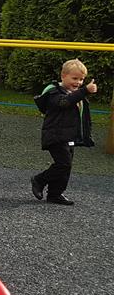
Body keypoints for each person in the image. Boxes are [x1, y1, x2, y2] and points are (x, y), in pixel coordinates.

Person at [31, 59, 96, 205]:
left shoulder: (73, 93)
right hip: (55, 135)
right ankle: (39, 179)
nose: (78, 82)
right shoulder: (54, 92)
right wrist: (85, 90)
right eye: (74, 78)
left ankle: (55, 194)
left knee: (66, 167)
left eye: (81, 79)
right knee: (63, 164)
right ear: (63, 76)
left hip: (68, 136)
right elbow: (64, 102)